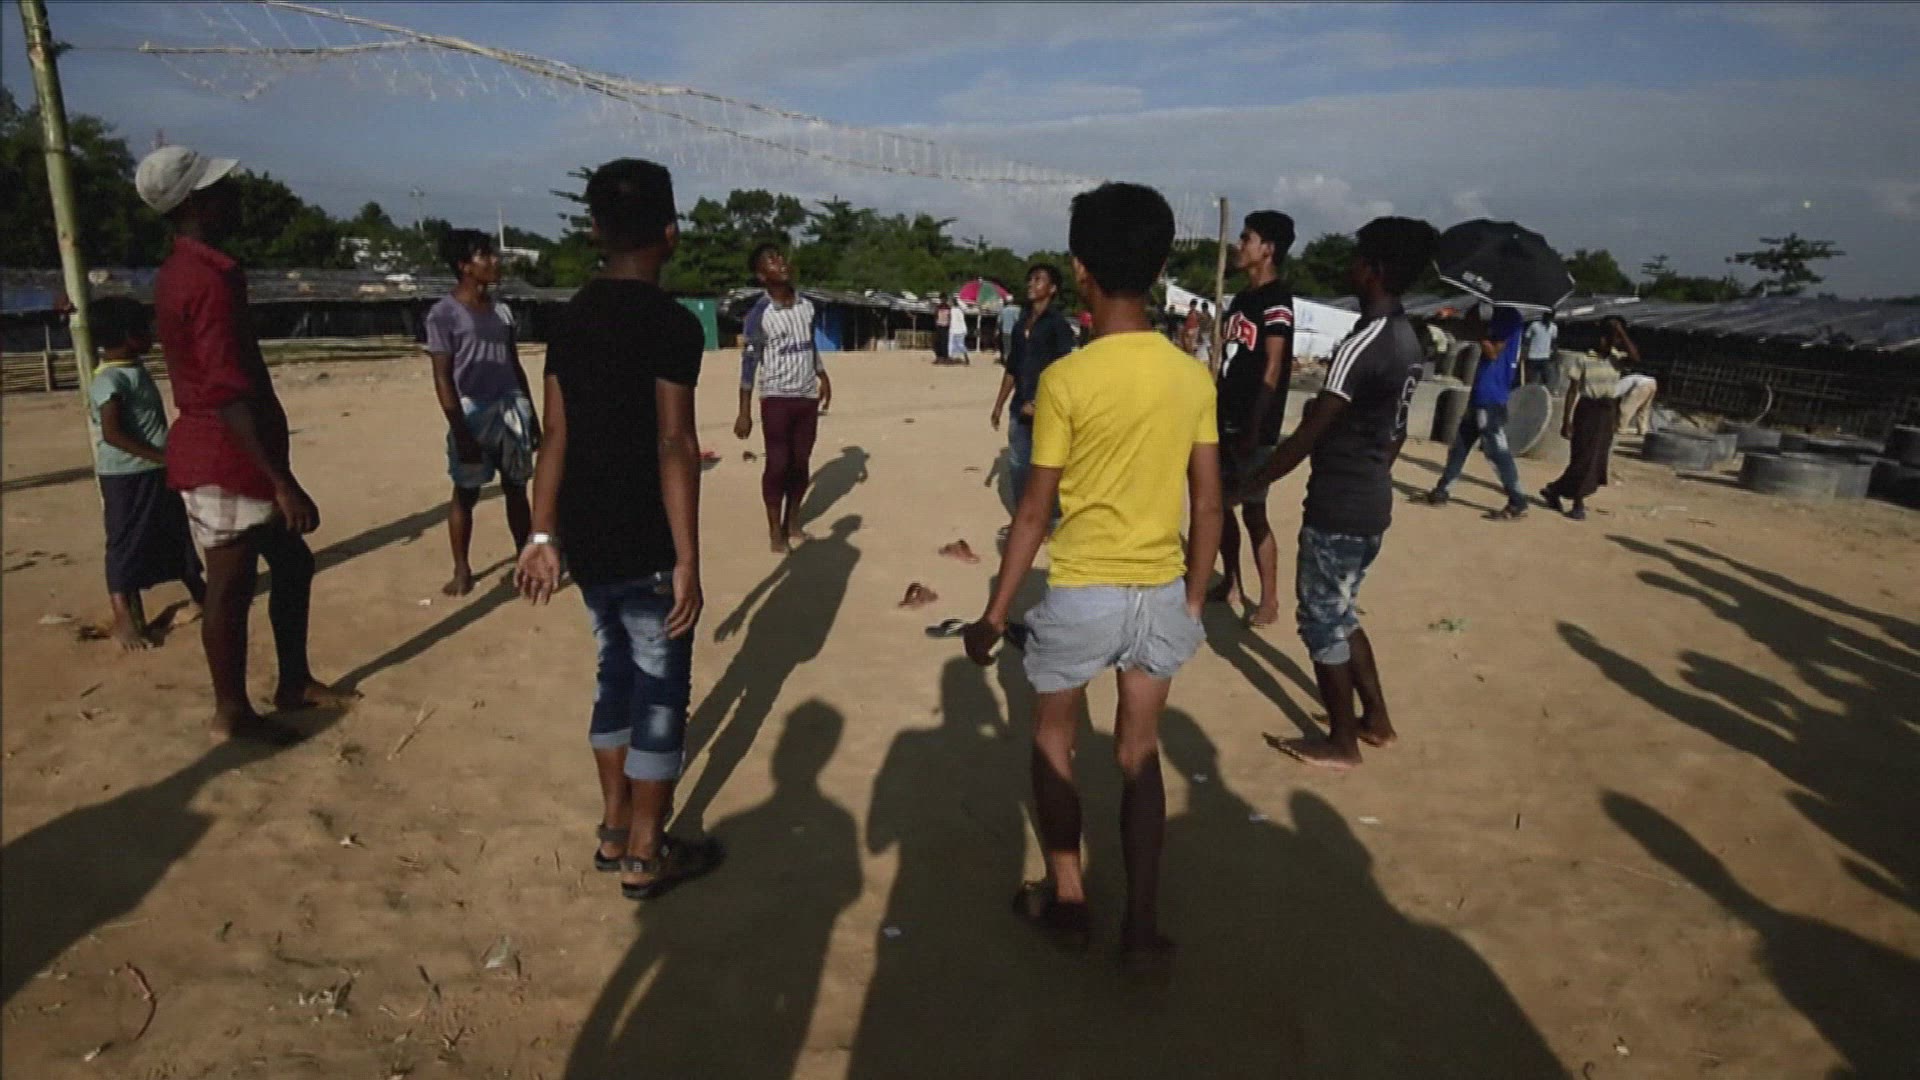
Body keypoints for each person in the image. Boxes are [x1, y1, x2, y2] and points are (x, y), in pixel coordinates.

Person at [964, 181, 1221, 974]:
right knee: (1140, 755)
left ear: (1079, 269)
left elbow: (1034, 513)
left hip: (1082, 592)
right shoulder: (1191, 377)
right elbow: (1209, 502)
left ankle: (1069, 898)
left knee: (1053, 739)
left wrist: (994, 613)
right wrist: (1193, 599)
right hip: (1158, 592)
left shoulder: (1067, 381)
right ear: (1160, 266)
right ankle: (1141, 928)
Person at [515, 157, 722, 900]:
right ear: (670, 232)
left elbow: (555, 436)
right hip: (648, 535)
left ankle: (612, 827)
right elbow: (675, 443)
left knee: (614, 674)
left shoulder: (569, 318)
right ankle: (644, 851)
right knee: (659, 691)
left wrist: (542, 535)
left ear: (596, 230)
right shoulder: (672, 325)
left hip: (587, 534)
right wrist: (688, 557)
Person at [138, 144, 347, 743]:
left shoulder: (191, 270)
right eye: (220, 189)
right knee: (229, 589)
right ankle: (231, 712)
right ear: (195, 203)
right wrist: (282, 481)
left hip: (231, 451)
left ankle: (292, 681)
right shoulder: (206, 280)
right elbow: (226, 389)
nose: (234, 196)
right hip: (226, 456)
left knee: (292, 563)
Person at [1249, 216, 1438, 769]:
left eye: (1357, 258)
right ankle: (1375, 720)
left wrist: (1253, 482)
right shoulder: (1407, 339)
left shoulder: (1365, 340)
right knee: (1342, 611)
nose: (1349, 266)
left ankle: (1341, 742)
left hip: (1340, 501)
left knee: (1322, 620)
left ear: (1374, 269)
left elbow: (1314, 428)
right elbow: (1393, 428)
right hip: (1371, 496)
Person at [85, 296, 205, 651]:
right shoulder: (110, 379)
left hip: (153, 469)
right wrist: (161, 456)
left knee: (175, 532)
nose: (152, 334)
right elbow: (112, 433)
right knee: (125, 542)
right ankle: (124, 618)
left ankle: (201, 593)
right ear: (128, 335)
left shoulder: (132, 368)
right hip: (128, 475)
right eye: (145, 329)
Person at [425, 229, 539, 596]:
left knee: (516, 487)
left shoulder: (502, 311)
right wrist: (460, 430)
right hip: (472, 410)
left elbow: (513, 364)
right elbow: (442, 377)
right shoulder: (444, 315)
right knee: (466, 492)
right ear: (464, 266)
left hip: (510, 405)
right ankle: (462, 570)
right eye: (484, 255)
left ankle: (525, 559)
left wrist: (531, 414)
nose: (494, 261)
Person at [1209, 210, 1296, 626]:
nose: (1239, 245)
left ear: (1268, 249)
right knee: (1221, 505)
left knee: (1254, 512)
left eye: (1247, 238)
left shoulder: (1278, 300)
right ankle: (1231, 582)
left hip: (1254, 427)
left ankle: (1270, 599)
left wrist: (1254, 427)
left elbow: (1273, 366)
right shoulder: (1241, 299)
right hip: (1224, 417)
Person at [737, 243, 833, 553]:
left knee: (800, 463)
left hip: (806, 396)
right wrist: (744, 411)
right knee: (778, 464)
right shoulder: (759, 314)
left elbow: (809, 344)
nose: (780, 263)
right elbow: (749, 362)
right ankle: (774, 530)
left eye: (780, 257)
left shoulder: (807, 306)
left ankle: (792, 522)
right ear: (761, 276)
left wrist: (822, 375)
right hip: (776, 398)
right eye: (771, 261)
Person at [1420, 304, 1530, 518]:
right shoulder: (1500, 315)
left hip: (1491, 394)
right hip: (1481, 391)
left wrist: (1479, 330)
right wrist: (1472, 314)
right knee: (1460, 445)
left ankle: (1518, 500)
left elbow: (1493, 352)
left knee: (1496, 450)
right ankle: (1442, 490)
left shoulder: (1508, 317)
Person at [989, 263, 1077, 514]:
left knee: (1048, 467)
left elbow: (1066, 368)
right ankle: (1023, 519)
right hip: (1019, 407)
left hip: (1049, 411)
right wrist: (999, 405)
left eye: (1038, 280)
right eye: (1030, 279)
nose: (1031, 284)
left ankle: (1051, 520)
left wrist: (1039, 402)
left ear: (1052, 289)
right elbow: (1012, 368)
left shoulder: (1058, 325)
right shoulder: (1020, 324)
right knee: (1018, 465)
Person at [1541, 327, 1622, 521]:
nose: (1607, 342)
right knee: (1583, 458)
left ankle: (1555, 489)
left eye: (1612, 338)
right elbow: (1573, 391)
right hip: (1588, 410)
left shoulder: (1616, 359)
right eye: (1605, 338)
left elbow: (1636, 357)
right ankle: (1578, 502)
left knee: (1597, 459)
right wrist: (1566, 420)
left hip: (1607, 412)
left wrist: (1619, 331)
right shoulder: (1584, 359)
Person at [1608, 320, 1656, 436]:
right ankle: (1642, 431)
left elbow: (1613, 400)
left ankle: (1620, 430)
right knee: (1643, 410)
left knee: (1625, 409)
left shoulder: (1615, 386)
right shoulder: (1623, 372)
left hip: (1641, 384)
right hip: (1651, 382)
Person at [1523, 312, 1557, 386]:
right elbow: (1526, 340)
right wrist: (1525, 353)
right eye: (1546, 316)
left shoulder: (1554, 327)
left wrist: (1554, 354)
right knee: (1532, 380)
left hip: (1545, 357)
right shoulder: (1534, 325)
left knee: (1547, 380)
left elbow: (1553, 342)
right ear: (1543, 316)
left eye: (1550, 317)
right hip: (1533, 357)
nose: (1548, 318)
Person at [932, 298, 951, 363]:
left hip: (946, 327)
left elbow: (950, 317)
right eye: (942, 299)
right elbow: (935, 316)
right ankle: (938, 357)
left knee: (945, 343)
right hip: (939, 326)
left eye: (944, 299)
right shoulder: (938, 307)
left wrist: (949, 324)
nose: (943, 301)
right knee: (937, 342)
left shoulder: (948, 308)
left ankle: (945, 357)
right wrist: (936, 324)